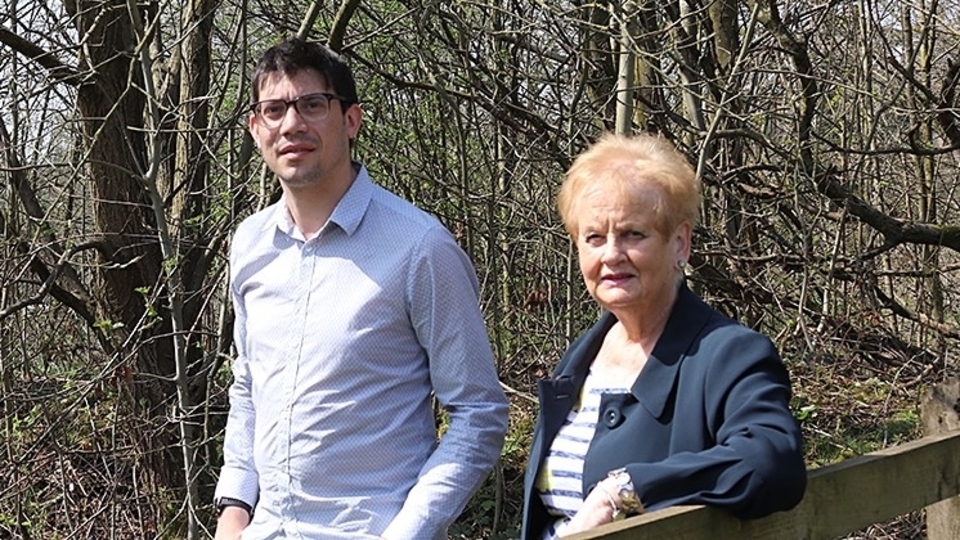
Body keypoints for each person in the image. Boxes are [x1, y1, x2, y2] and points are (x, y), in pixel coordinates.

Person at [213, 37, 509, 540]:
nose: (292, 124)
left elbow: (479, 413)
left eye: (312, 104)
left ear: (351, 120)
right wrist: (235, 507)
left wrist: (408, 532)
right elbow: (249, 386)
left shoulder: (420, 248)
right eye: (275, 109)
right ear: (255, 128)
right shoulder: (250, 244)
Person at [520, 133, 807, 539]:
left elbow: (772, 461)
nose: (611, 254)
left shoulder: (728, 355)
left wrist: (623, 491)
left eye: (634, 234)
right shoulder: (582, 357)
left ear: (681, 243)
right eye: (594, 237)